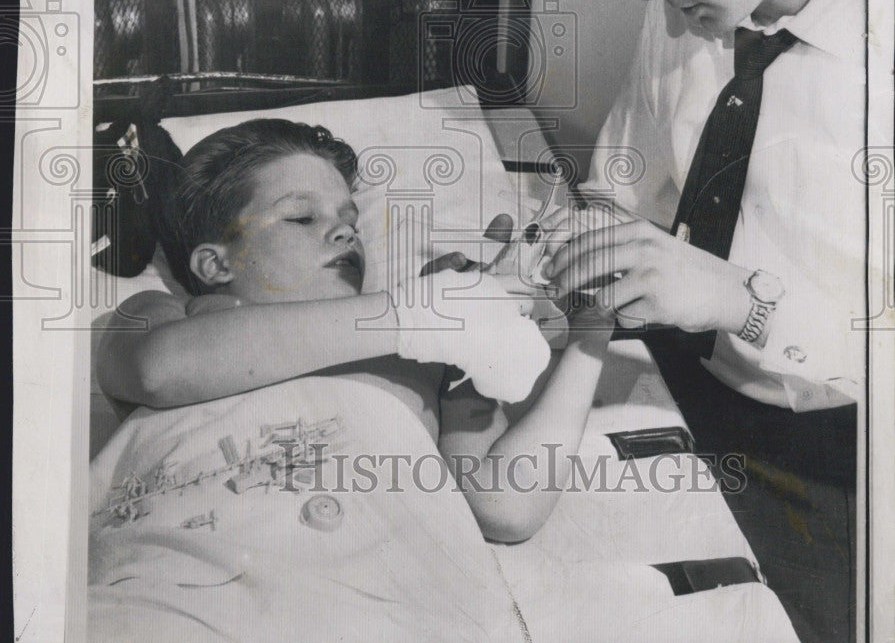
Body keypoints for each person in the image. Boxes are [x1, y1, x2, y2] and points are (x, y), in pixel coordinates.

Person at [541, 0, 874, 643]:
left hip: (837, 460)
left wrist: (740, 300)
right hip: (675, 385)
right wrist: (570, 241)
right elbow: (623, 178)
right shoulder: (701, 0)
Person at [96, 118, 613, 546]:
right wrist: (426, 312)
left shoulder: (423, 363)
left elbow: (506, 507)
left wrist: (590, 329)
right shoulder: (165, 314)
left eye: (351, 221)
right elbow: (156, 371)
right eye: (301, 217)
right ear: (215, 265)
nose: (344, 231)